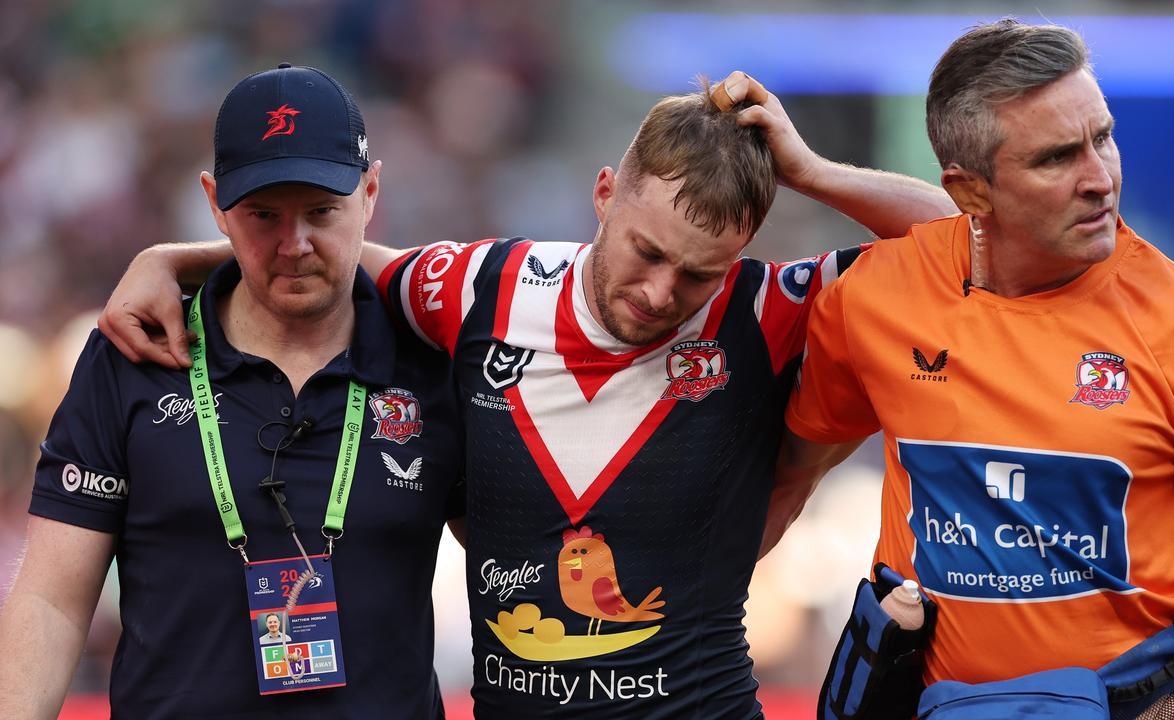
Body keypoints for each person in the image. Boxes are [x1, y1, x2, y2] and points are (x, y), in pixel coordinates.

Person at [94, 76, 957, 717]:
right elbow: (322, 248)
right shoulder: (476, 288)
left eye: (698, 273)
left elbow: (958, 246)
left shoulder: (768, 309)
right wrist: (173, 259)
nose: (660, 293)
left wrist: (808, 172)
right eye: (645, 252)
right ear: (603, 194)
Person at [769, 19, 1174, 718]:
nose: (1100, 179)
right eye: (1057, 158)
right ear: (970, 191)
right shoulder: (873, 300)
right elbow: (793, 471)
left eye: (1103, 137)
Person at [0, 64, 463, 719]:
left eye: (322, 211)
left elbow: (513, 560)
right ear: (214, 202)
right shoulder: (134, 350)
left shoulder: (432, 357)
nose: (294, 244)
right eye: (263, 214)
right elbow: (50, 599)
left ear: (371, 192)